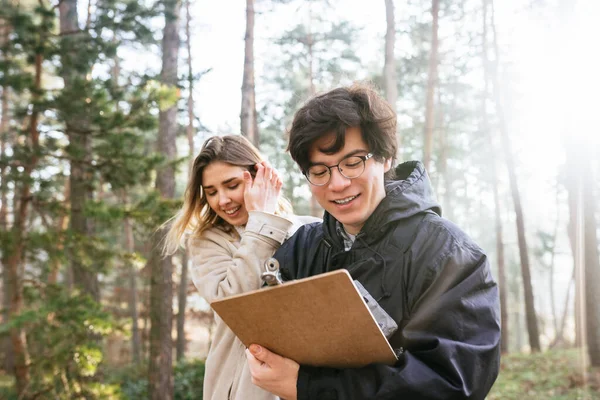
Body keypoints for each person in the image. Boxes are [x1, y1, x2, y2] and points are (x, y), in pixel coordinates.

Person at [245, 83, 501, 400]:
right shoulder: (299, 249)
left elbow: (451, 383)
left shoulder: (450, 254)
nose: (337, 183)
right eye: (320, 171)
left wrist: (311, 388)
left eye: (353, 162)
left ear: (385, 157)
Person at [163, 135, 320, 400]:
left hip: (310, 383)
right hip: (243, 389)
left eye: (231, 185)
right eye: (211, 192)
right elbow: (232, 304)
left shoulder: (310, 230)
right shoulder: (209, 241)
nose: (222, 200)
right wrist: (262, 226)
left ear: (260, 177)